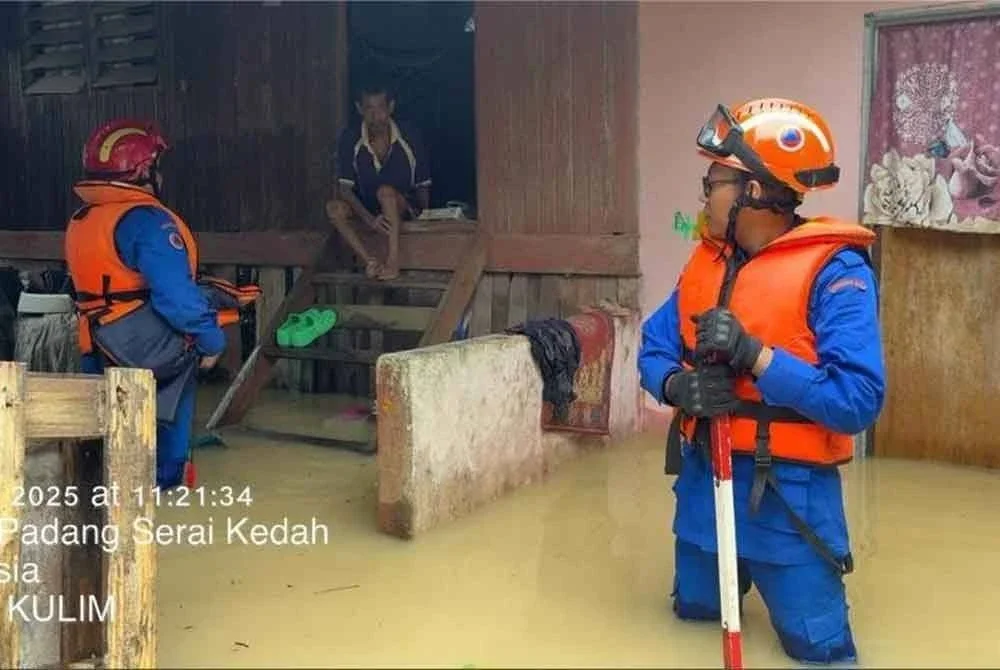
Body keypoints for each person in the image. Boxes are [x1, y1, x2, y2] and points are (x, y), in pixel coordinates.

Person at [638, 98, 885, 664]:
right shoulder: (704, 263)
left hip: (788, 500)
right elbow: (653, 348)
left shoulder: (836, 273)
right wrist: (677, 387)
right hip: (706, 483)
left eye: (715, 181)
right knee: (693, 620)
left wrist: (756, 357)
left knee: (817, 652)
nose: (704, 194)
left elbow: (857, 401)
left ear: (758, 191)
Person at [64, 119, 239, 489]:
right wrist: (212, 342)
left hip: (94, 341)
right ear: (145, 170)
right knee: (162, 444)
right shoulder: (147, 221)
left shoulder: (85, 217)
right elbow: (176, 299)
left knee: (109, 439)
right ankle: (169, 483)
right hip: (139, 347)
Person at [326, 84, 432, 280]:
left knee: (385, 192)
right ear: (359, 109)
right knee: (333, 209)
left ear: (391, 107)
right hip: (366, 207)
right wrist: (369, 219)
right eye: (369, 109)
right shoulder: (350, 138)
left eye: (380, 108)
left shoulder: (409, 135)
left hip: (401, 204)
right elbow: (345, 189)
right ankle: (370, 262)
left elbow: (423, 184)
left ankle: (393, 263)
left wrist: (424, 218)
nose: (376, 116)